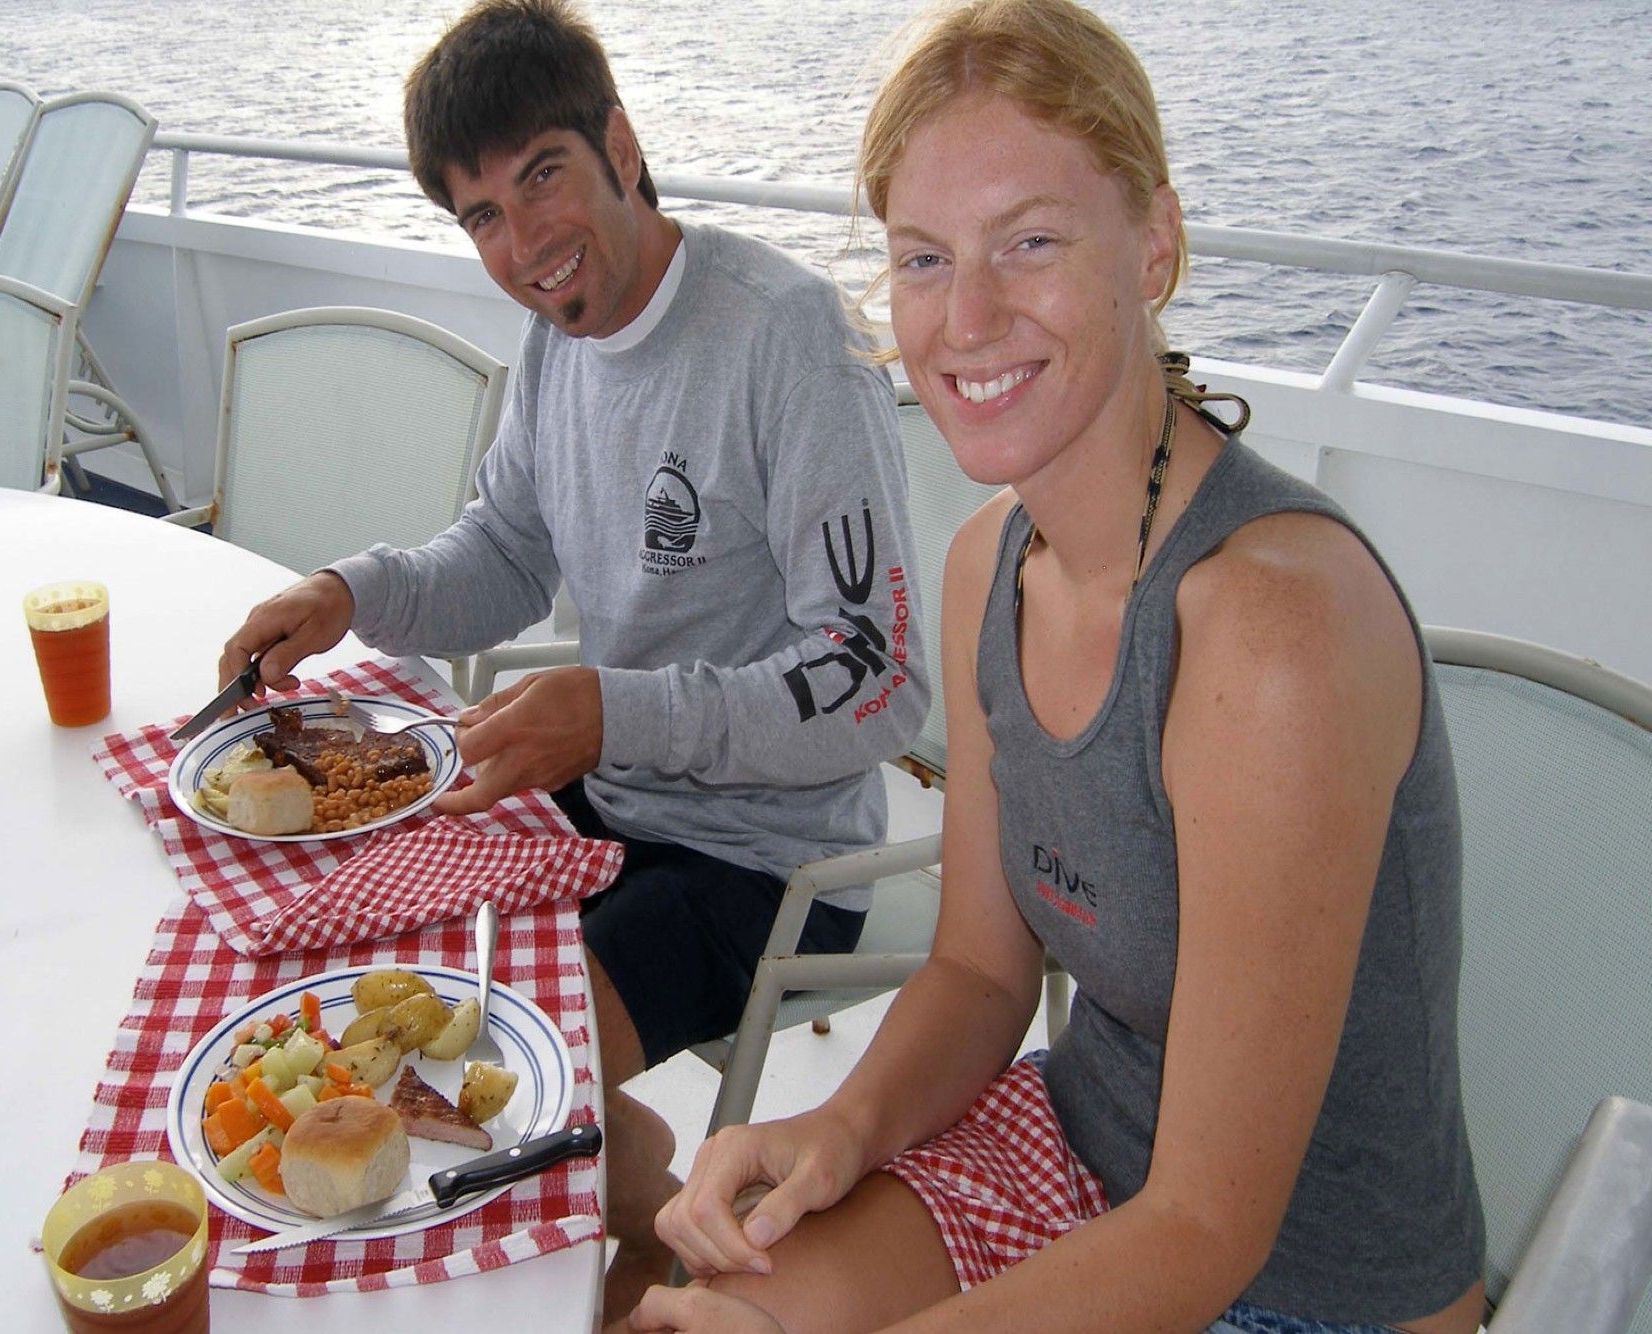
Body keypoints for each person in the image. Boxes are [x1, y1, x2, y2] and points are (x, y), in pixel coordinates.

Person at [629, 2, 1487, 1331]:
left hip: (1313, 1284)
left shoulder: (1270, 633)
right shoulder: (989, 563)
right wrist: (837, 1129)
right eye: (924, 260)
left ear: (1154, 246)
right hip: (1083, 1149)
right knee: (716, 1308)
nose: (966, 318)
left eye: (1028, 242)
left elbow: (1208, 1231)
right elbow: (981, 972)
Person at [217, 0, 928, 1316]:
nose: (523, 242)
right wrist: (344, 593)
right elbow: (502, 553)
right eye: (480, 214)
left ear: (620, 141)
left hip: (773, 854)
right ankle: (645, 1181)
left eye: (542, 175)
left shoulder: (787, 338)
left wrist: (612, 716)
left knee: (491, 1074)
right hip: (616, 789)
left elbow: (880, 684)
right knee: (381, 989)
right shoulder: (557, 347)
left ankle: (653, 1231)